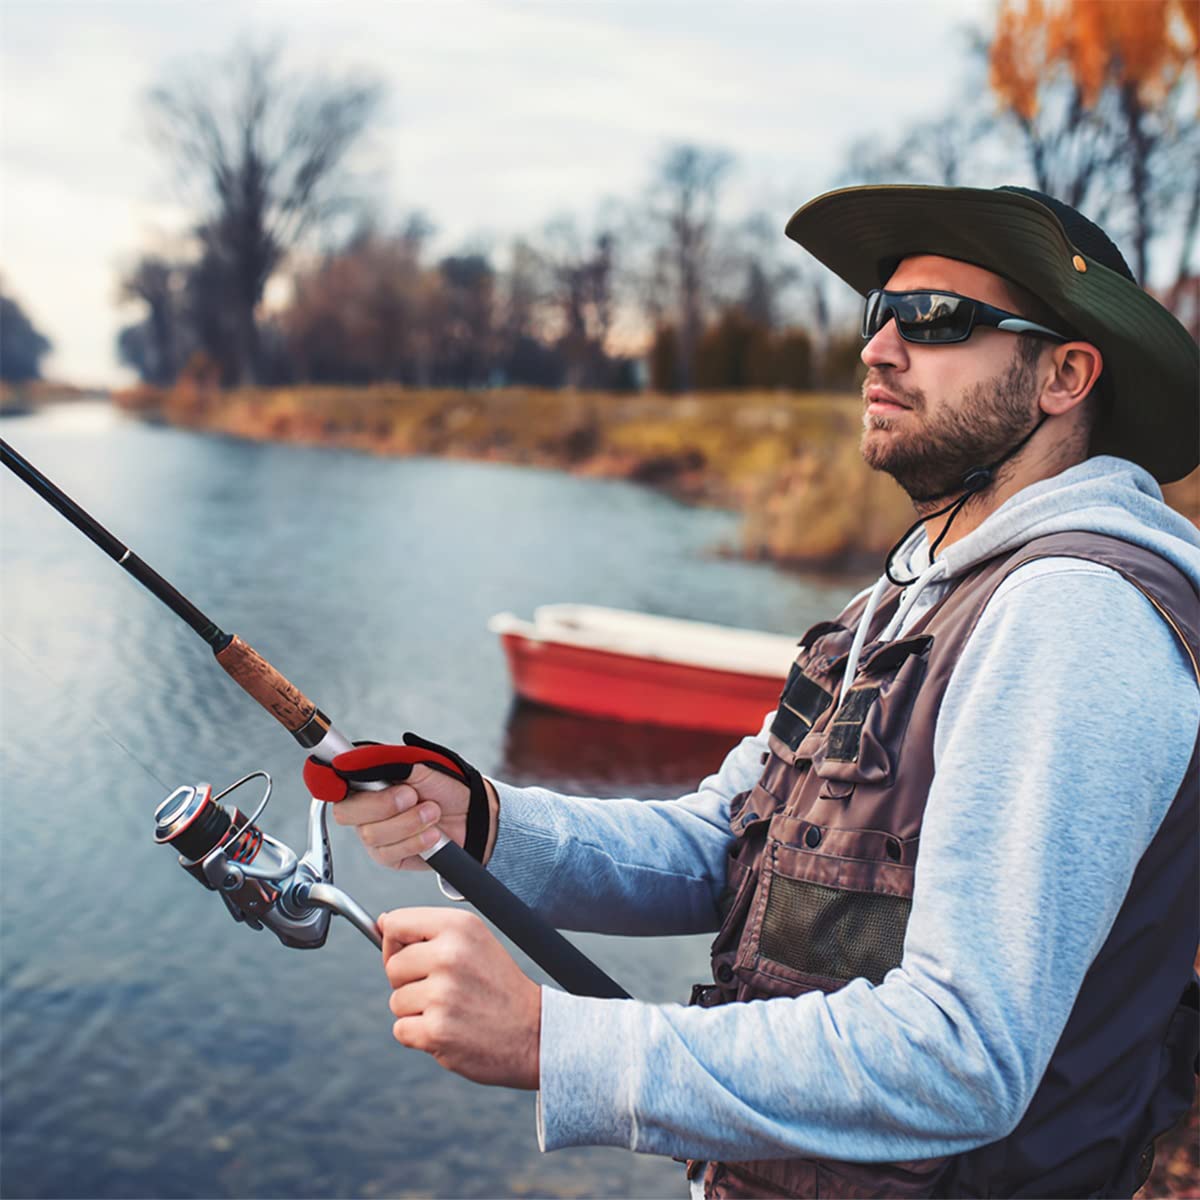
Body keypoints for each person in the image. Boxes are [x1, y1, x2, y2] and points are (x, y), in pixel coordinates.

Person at [328, 185, 1200, 1198]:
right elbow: (729, 842)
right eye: (881, 315)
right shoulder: (907, 596)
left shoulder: (1073, 614)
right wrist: (486, 823)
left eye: (935, 320)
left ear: (1065, 374)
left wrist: (555, 1039)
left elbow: (963, 1054)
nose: (879, 349)